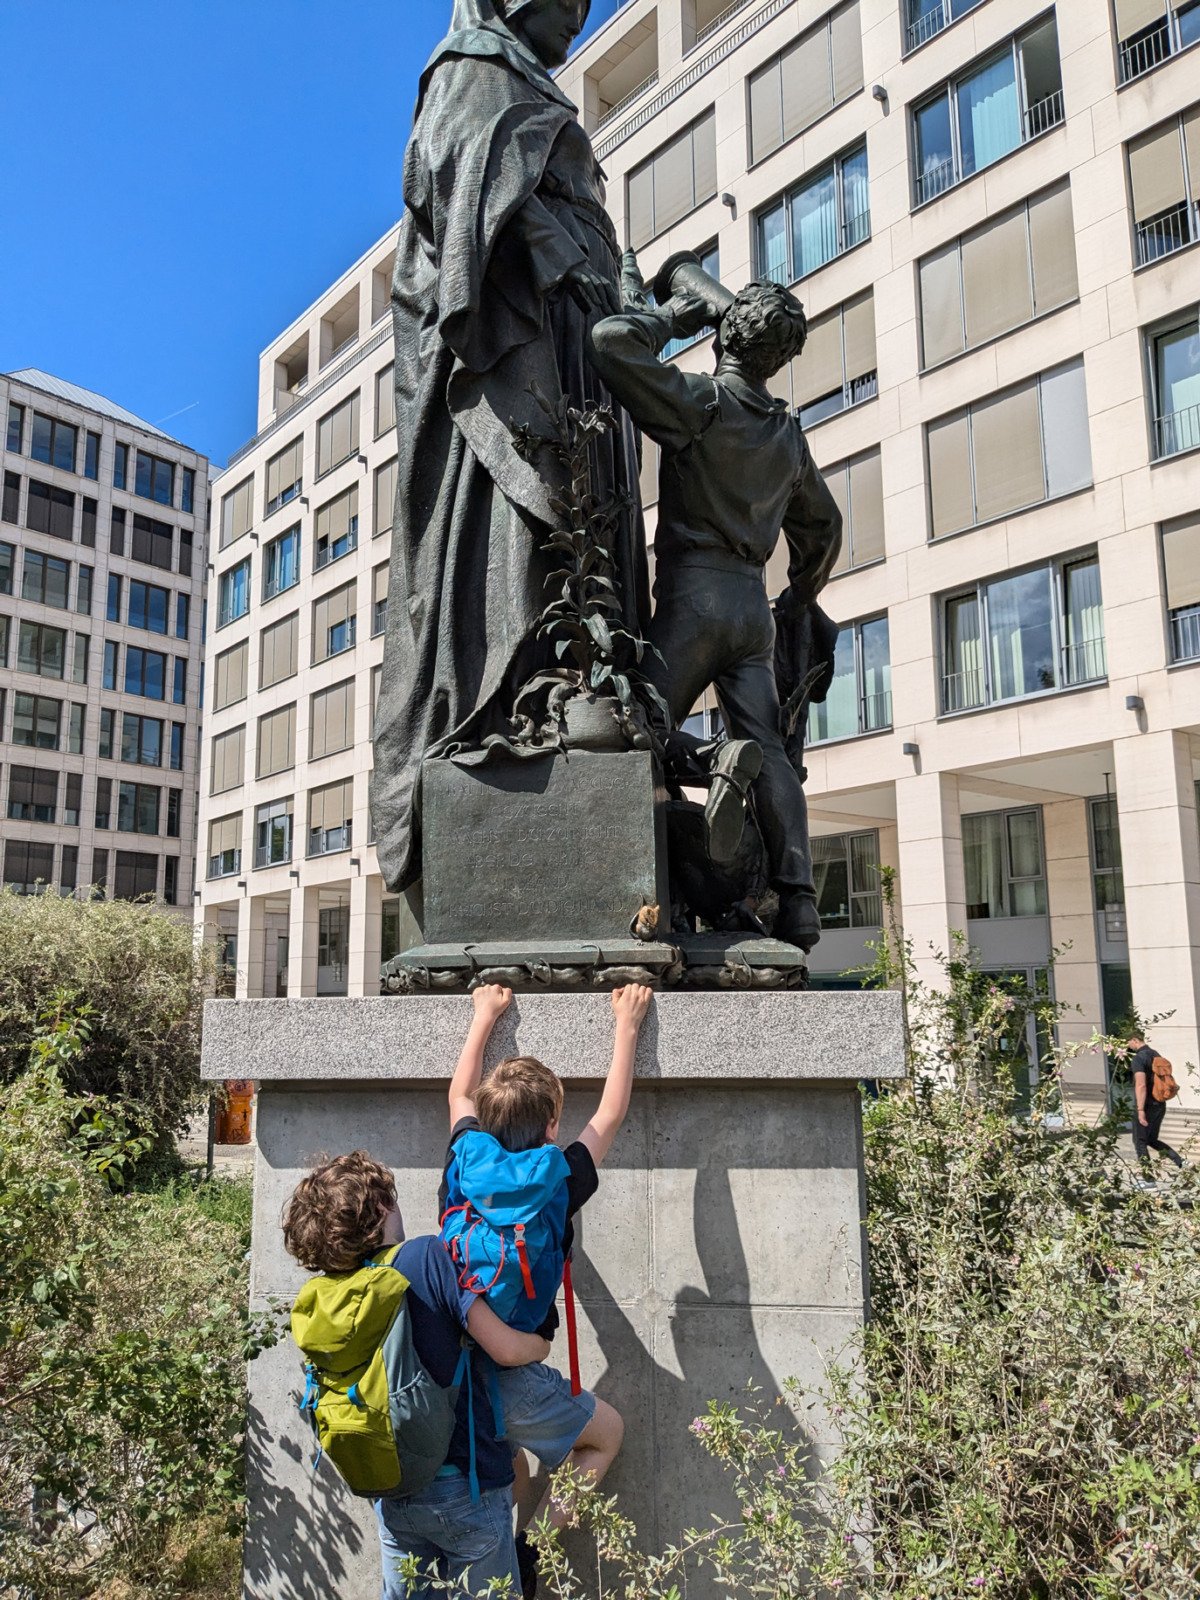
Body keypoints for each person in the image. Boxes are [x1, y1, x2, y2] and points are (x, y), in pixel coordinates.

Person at [371, 0, 650, 896]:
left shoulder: (530, 83)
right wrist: (559, 255)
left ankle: (587, 697)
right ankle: (513, 715)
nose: (576, 13)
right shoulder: (469, 68)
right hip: (513, 340)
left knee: (585, 524)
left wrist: (615, 287)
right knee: (519, 526)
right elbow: (457, 182)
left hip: (578, 343)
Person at [587, 265, 843, 950]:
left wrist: (678, 314)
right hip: (752, 609)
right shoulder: (788, 436)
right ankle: (799, 901)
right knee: (775, 757)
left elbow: (611, 341)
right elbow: (824, 528)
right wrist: (799, 595)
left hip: (692, 598)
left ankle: (711, 767)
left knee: (628, 727)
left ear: (726, 332)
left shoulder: (701, 403)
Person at [442, 982, 653, 1593]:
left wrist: (484, 1014)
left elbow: (457, 1091)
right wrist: (627, 1025)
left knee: (507, 1451)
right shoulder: (561, 1179)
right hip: (517, 1374)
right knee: (605, 1435)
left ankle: (508, 1546)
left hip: (452, 1367)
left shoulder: (463, 1158)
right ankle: (530, 1551)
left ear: (484, 1116)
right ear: (554, 1123)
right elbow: (609, 1115)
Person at [281, 1151, 552, 1598]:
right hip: (466, 1487)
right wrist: (541, 1342)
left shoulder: (327, 1294)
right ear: (383, 1207)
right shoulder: (424, 1257)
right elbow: (504, 1349)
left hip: (393, 1491)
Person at [1127, 1032, 1184, 1172]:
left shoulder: (1139, 1058)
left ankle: (1148, 1180)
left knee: (1140, 1142)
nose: (1128, 1046)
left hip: (1146, 1105)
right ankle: (1181, 1162)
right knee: (1151, 1139)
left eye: (1128, 1042)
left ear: (1135, 1040)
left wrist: (1140, 1110)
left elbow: (1141, 1085)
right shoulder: (1156, 1055)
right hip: (1160, 1103)